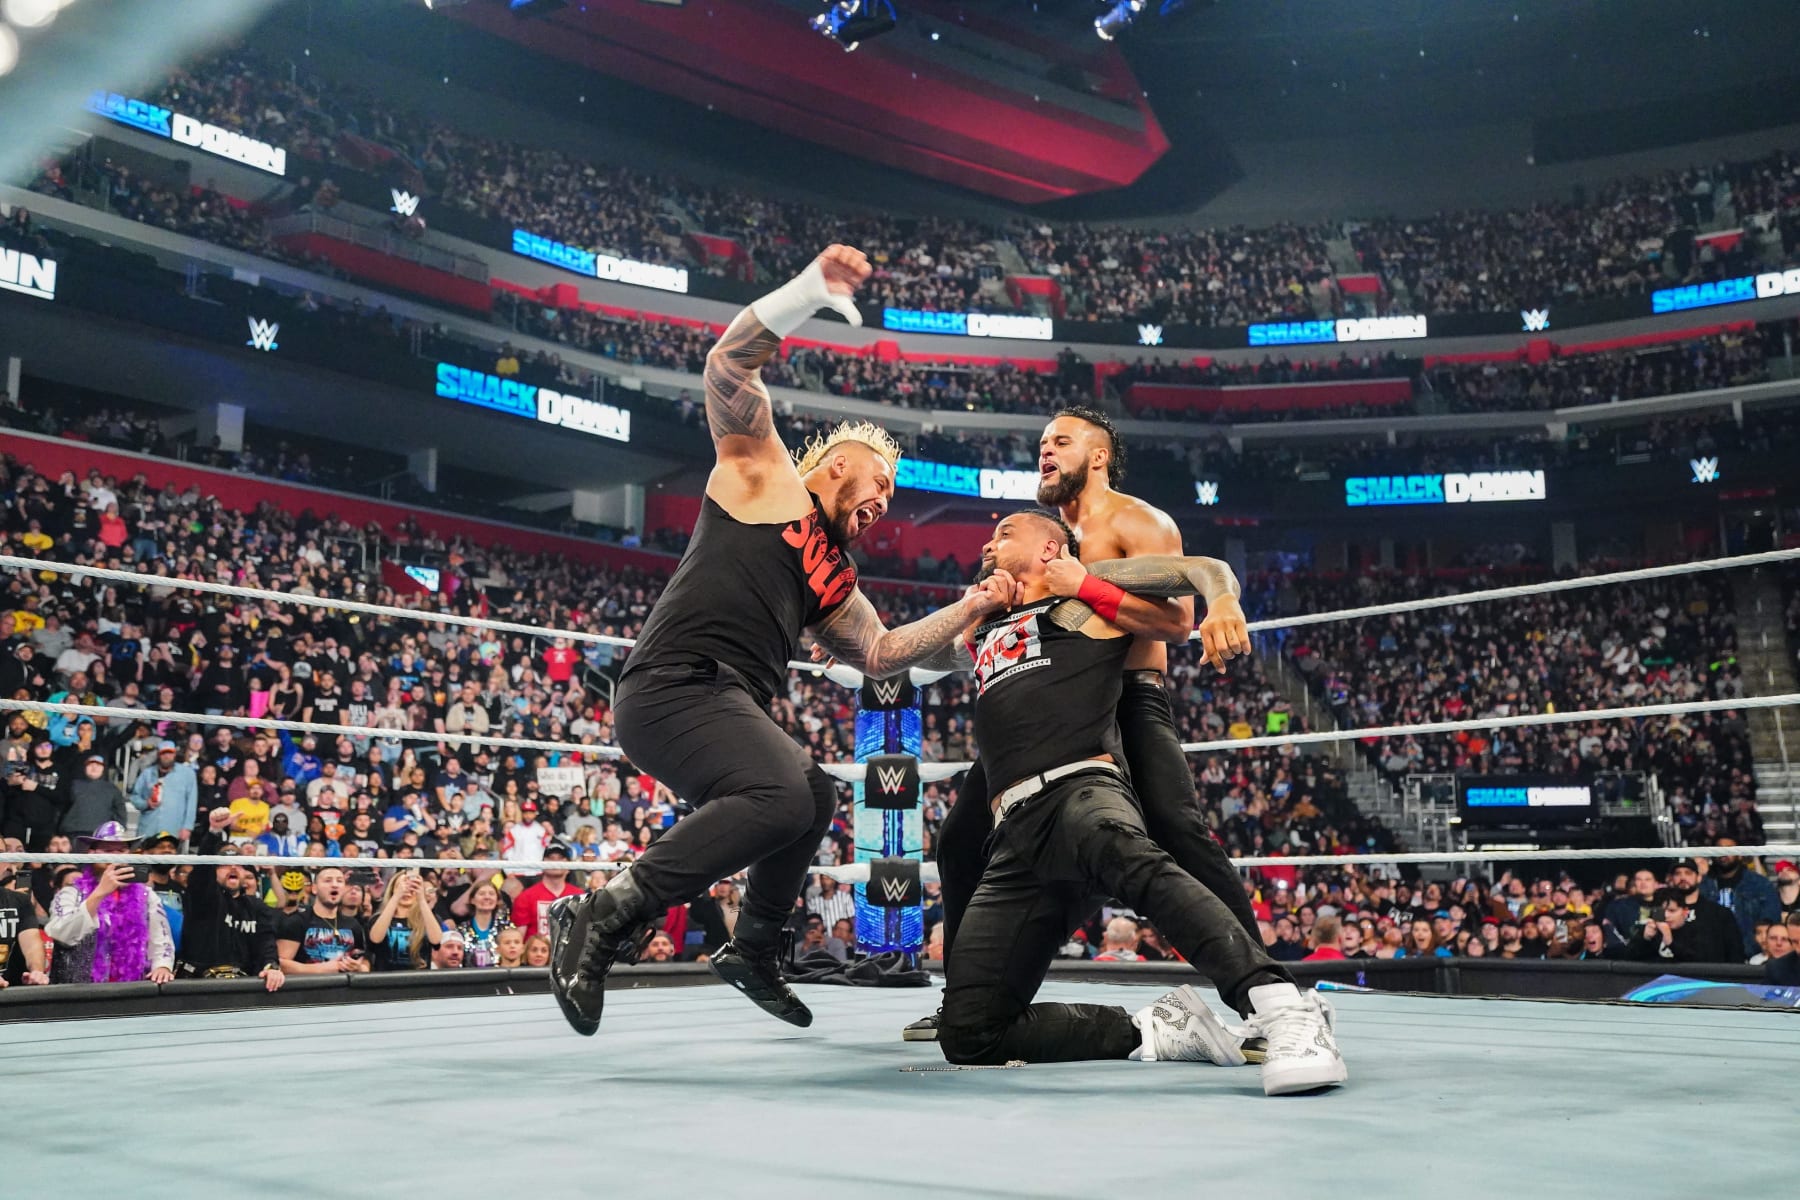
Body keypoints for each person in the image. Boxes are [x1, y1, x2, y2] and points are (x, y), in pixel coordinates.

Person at [549, 245, 1017, 1037]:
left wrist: (971, 624)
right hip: (670, 686)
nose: (885, 504)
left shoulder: (831, 573)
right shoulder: (765, 476)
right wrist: (808, 293)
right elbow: (728, 366)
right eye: (880, 486)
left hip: (722, 697)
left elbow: (882, 652)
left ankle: (754, 947)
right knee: (779, 793)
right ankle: (600, 912)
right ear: (837, 466)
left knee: (815, 795)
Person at [931, 509, 1344, 1094]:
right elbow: (922, 659)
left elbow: (1203, 573)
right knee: (968, 1034)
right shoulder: (989, 618)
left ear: (1051, 547)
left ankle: (1284, 1008)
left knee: (1132, 855)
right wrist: (962, 612)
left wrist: (1223, 604)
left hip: (1081, 788)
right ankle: (1154, 1029)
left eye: (1005, 533)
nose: (987, 542)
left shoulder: (1092, 588)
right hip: (1015, 833)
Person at [906, 405, 1282, 1044]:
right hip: (1051, 701)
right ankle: (964, 995)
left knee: (1180, 834)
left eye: (1061, 441)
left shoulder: (1135, 521)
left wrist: (1092, 584)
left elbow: (1174, 615)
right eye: (1042, 443)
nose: (1045, 451)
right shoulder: (1041, 540)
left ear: (1099, 455)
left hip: (1128, 695)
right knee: (961, 837)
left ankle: (1270, 1003)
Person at [44, 822, 177, 984]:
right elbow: (62, 934)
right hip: (77, 993)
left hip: (130, 991)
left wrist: (162, 967)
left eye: (121, 850)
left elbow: (162, 940)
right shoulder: (71, 893)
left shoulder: (146, 895)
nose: (115, 856)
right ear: (91, 853)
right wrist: (100, 892)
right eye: (107, 850)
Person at [177, 808, 284, 989]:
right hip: (198, 984)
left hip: (242, 984)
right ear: (214, 870)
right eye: (224, 865)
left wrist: (271, 966)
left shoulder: (256, 907)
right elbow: (202, 876)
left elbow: (266, 942)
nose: (233, 868)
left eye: (238, 865)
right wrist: (214, 832)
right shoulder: (204, 898)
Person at [276, 864, 372, 975]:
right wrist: (324, 968)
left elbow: (364, 959)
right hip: (310, 989)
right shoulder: (297, 921)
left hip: (344, 990)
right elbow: (280, 964)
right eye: (328, 881)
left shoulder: (353, 924)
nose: (335, 885)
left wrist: (359, 968)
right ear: (314, 888)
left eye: (339, 881)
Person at [1697, 841, 1780, 957]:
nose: (1723, 853)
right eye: (1719, 849)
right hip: (1710, 953)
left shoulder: (1760, 883)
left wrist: (1750, 950)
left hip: (1750, 953)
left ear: (1740, 855)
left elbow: (1770, 920)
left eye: (1729, 849)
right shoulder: (1702, 885)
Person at [129, 740, 198, 845]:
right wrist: (146, 804)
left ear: (175, 754)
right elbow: (134, 796)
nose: (167, 756)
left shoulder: (187, 774)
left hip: (173, 829)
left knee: (170, 859)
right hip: (148, 828)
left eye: (170, 753)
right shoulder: (147, 773)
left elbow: (192, 803)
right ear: (158, 755)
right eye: (163, 753)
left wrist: (187, 827)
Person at [511, 843, 582, 940]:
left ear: (569, 866)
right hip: (535, 953)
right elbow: (518, 939)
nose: (555, 862)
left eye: (560, 858)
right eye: (551, 858)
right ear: (542, 863)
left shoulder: (580, 897)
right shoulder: (526, 897)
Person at [0, 856, 50, 986]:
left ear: (5, 863)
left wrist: (37, 971)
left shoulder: (20, 901)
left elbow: (32, 943)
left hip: (11, 993)